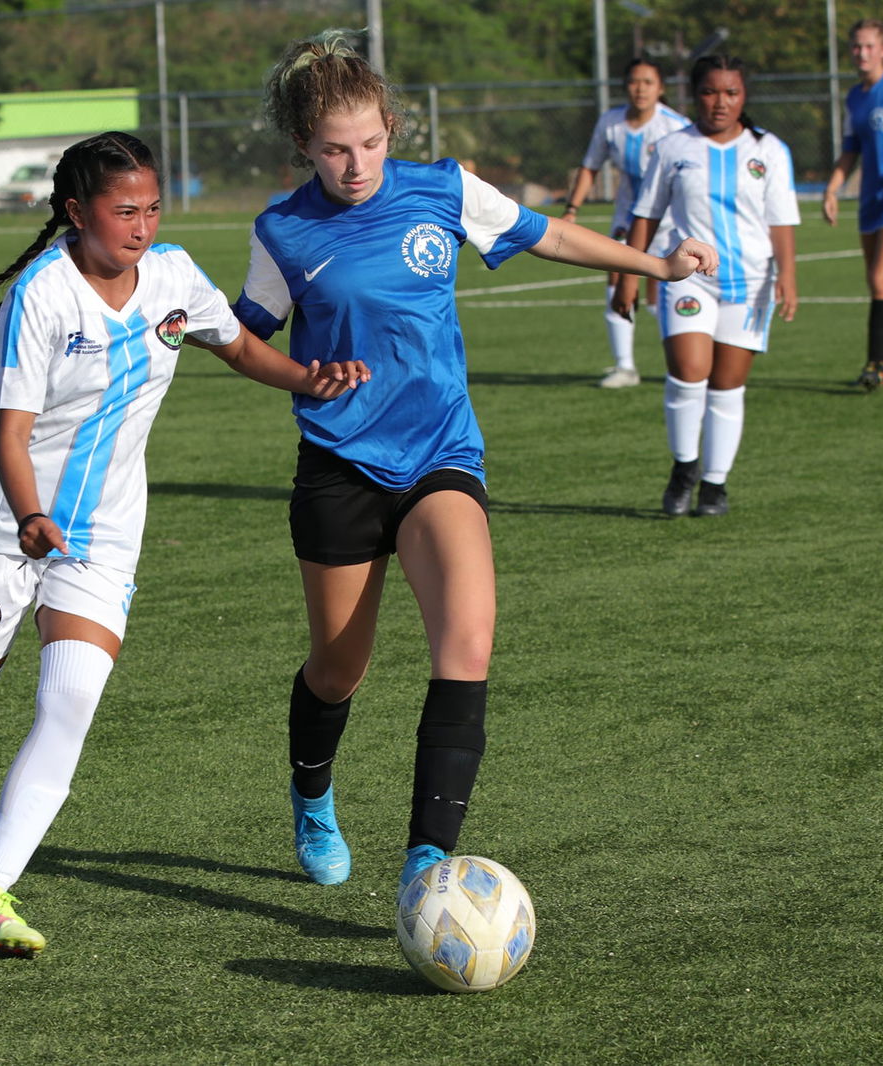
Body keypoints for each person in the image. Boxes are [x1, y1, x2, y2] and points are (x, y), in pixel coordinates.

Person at [0, 131, 369, 956]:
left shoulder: (178, 278)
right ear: (78, 213)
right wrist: (30, 518)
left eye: (153, 208)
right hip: (3, 525)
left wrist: (308, 377)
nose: (142, 226)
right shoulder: (42, 296)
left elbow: (239, 346)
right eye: (124, 211)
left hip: (105, 537)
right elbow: (12, 437)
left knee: (69, 702)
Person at [233, 31, 716, 896]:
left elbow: (551, 236)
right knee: (340, 666)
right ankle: (312, 795)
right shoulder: (282, 230)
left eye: (372, 143)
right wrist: (270, 361)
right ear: (303, 143)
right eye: (336, 149)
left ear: (392, 126)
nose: (356, 165)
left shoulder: (443, 190)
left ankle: (429, 861)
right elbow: (243, 338)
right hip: (339, 466)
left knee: (466, 640)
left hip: (438, 454)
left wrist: (656, 261)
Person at [616, 54, 800, 517]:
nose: (721, 102)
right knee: (689, 370)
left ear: (745, 97)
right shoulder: (674, 147)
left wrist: (789, 279)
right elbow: (647, 214)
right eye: (710, 91)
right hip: (688, 277)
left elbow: (781, 223)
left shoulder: (769, 150)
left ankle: (715, 485)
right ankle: (684, 469)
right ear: (694, 95)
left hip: (751, 282)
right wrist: (629, 279)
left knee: (727, 385)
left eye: (732, 93)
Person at [562, 57, 692, 388]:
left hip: (668, 224)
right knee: (617, 282)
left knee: (663, 293)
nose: (640, 89)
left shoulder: (676, 126)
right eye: (634, 81)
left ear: (660, 88)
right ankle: (625, 366)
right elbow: (590, 166)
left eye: (648, 82)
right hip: (626, 221)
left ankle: (682, 360)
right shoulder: (611, 123)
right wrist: (572, 208)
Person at [820, 18, 883, 391]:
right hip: (871, 201)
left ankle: (875, 366)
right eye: (856, 46)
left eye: (868, 46)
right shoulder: (855, 97)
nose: (861, 53)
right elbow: (851, 151)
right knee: (878, 283)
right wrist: (832, 189)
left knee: (881, 279)